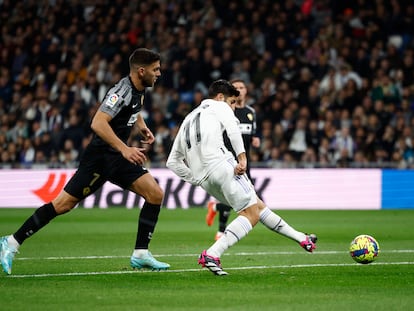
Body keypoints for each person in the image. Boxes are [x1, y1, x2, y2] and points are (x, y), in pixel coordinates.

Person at [0, 48, 170, 275]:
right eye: (155, 69)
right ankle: (11, 242)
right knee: (63, 205)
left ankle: (140, 254)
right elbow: (98, 123)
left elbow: (134, 110)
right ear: (141, 71)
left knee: (155, 194)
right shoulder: (121, 91)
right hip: (100, 159)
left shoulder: (140, 89)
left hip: (117, 158)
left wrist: (141, 127)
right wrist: (125, 148)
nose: (159, 73)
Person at [166, 79, 317, 276]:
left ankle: (301, 238)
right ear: (221, 97)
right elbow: (232, 127)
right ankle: (213, 254)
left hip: (205, 179)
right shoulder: (220, 106)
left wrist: (195, 179)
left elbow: (172, 162)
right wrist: (242, 158)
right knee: (251, 214)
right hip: (222, 165)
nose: (233, 108)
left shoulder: (188, 118)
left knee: (256, 205)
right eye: (232, 103)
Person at [205, 79, 261, 241]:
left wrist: (255, 139)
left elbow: (252, 133)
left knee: (241, 195)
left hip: (244, 161)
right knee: (236, 194)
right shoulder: (226, 110)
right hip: (227, 159)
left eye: (242, 87)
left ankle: (215, 208)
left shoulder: (251, 112)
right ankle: (222, 231)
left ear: (246, 91)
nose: (239, 90)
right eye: (236, 88)